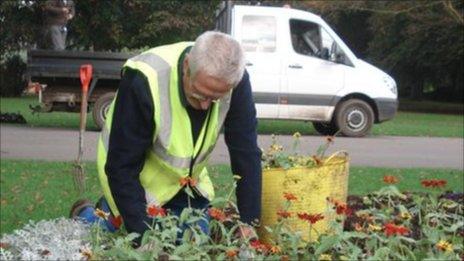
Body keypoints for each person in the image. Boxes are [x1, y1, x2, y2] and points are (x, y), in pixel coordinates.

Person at [71, 31, 262, 246]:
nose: (206, 106)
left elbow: (246, 153)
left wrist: (248, 222)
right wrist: (145, 237)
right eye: (200, 94)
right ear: (186, 66)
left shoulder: (233, 79)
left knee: (192, 239)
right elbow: (121, 167)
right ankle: (87, 215)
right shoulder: (144, 79)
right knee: (116, 236)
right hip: (135, 180)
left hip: (185, 184)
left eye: (215, 99)